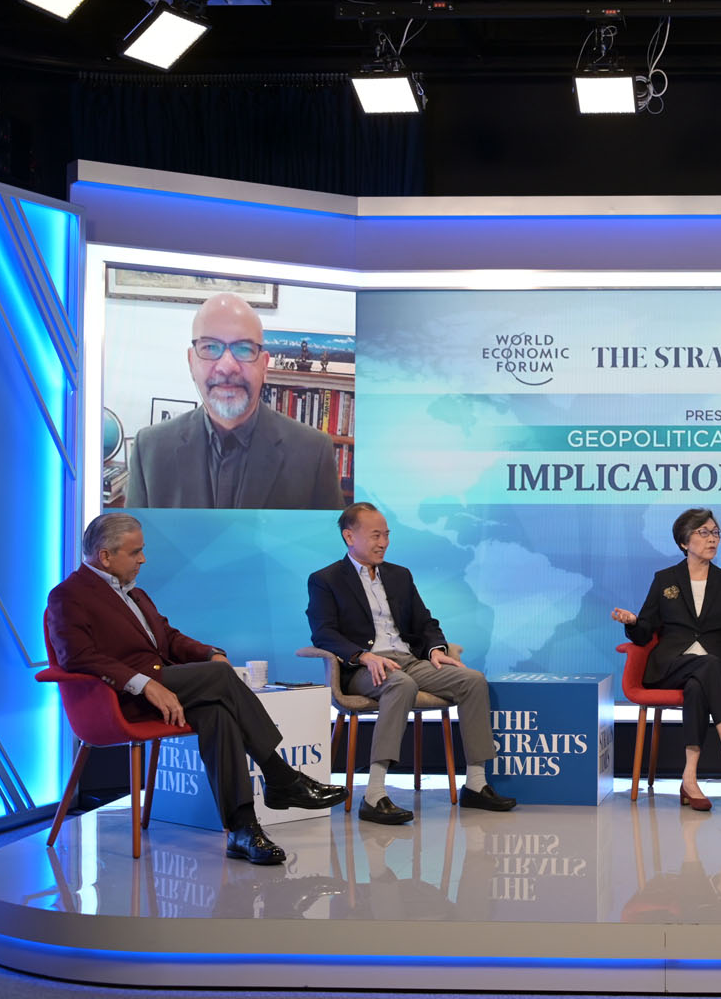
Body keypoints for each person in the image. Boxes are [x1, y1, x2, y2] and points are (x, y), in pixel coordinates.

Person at [45, 513, 347, 865]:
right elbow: (77, 658)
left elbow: (168, 639)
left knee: (217, 711)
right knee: (220, 679)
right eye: (135, 552)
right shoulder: (69, 596)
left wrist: (209, 653)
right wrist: (144, 686)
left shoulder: (135, 594)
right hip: (120, 700)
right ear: (105, 555)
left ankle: (243, 829)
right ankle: (281, 776)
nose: (143, 559)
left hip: (165, 688)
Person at [306, 502, 515, 824]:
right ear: (350, 536)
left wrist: (435, 649)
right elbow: (323, 633)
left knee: (472, 680)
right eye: (375, 535)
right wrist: (363, 655)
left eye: (387, 535)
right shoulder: (326, 580)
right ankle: (374, 794)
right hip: (364, 668)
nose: (384, 543)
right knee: (400, 684)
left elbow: (425, 623)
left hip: (408, 660)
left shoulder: (399, 575)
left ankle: (475, 784)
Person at [610, 508, 721, 812]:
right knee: (708, 666)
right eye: (704, 533)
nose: (712, 539)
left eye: (715, 532)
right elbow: (644, 633)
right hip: (670, 666)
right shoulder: (665, 580)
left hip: (712, 670)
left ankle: (690, 777)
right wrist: (631, 621)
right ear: (684, 542)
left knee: (701, 681)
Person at [125, 292, 343, 509]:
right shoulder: (150, 451)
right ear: (191, 362)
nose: (227, 366)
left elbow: (328, 542)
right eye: (210, 347)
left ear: (264, 366)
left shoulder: (313, 453)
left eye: (244, 349)